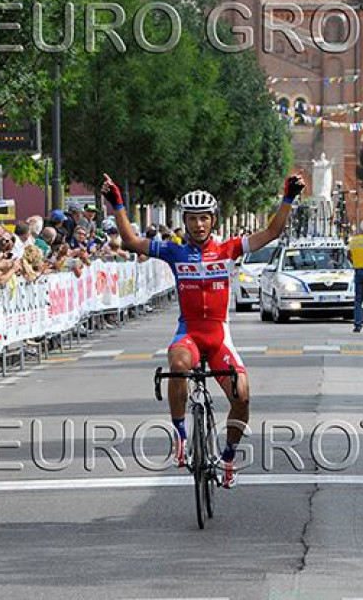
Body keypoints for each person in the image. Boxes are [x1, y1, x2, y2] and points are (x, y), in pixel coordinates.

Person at [101, 171, 306, 488]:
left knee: (242, 396)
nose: (198, 225)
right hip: (190, 334)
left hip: (219, 338)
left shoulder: (229, 250)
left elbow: (271, 231)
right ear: (185, 221)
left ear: (213, 220)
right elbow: (130, 241)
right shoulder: (174, 251)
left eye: (204, 218)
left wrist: (288, 198)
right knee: (178, 364)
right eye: (192, 219)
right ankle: (181, 434)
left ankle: (227, 457)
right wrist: (117, 204)